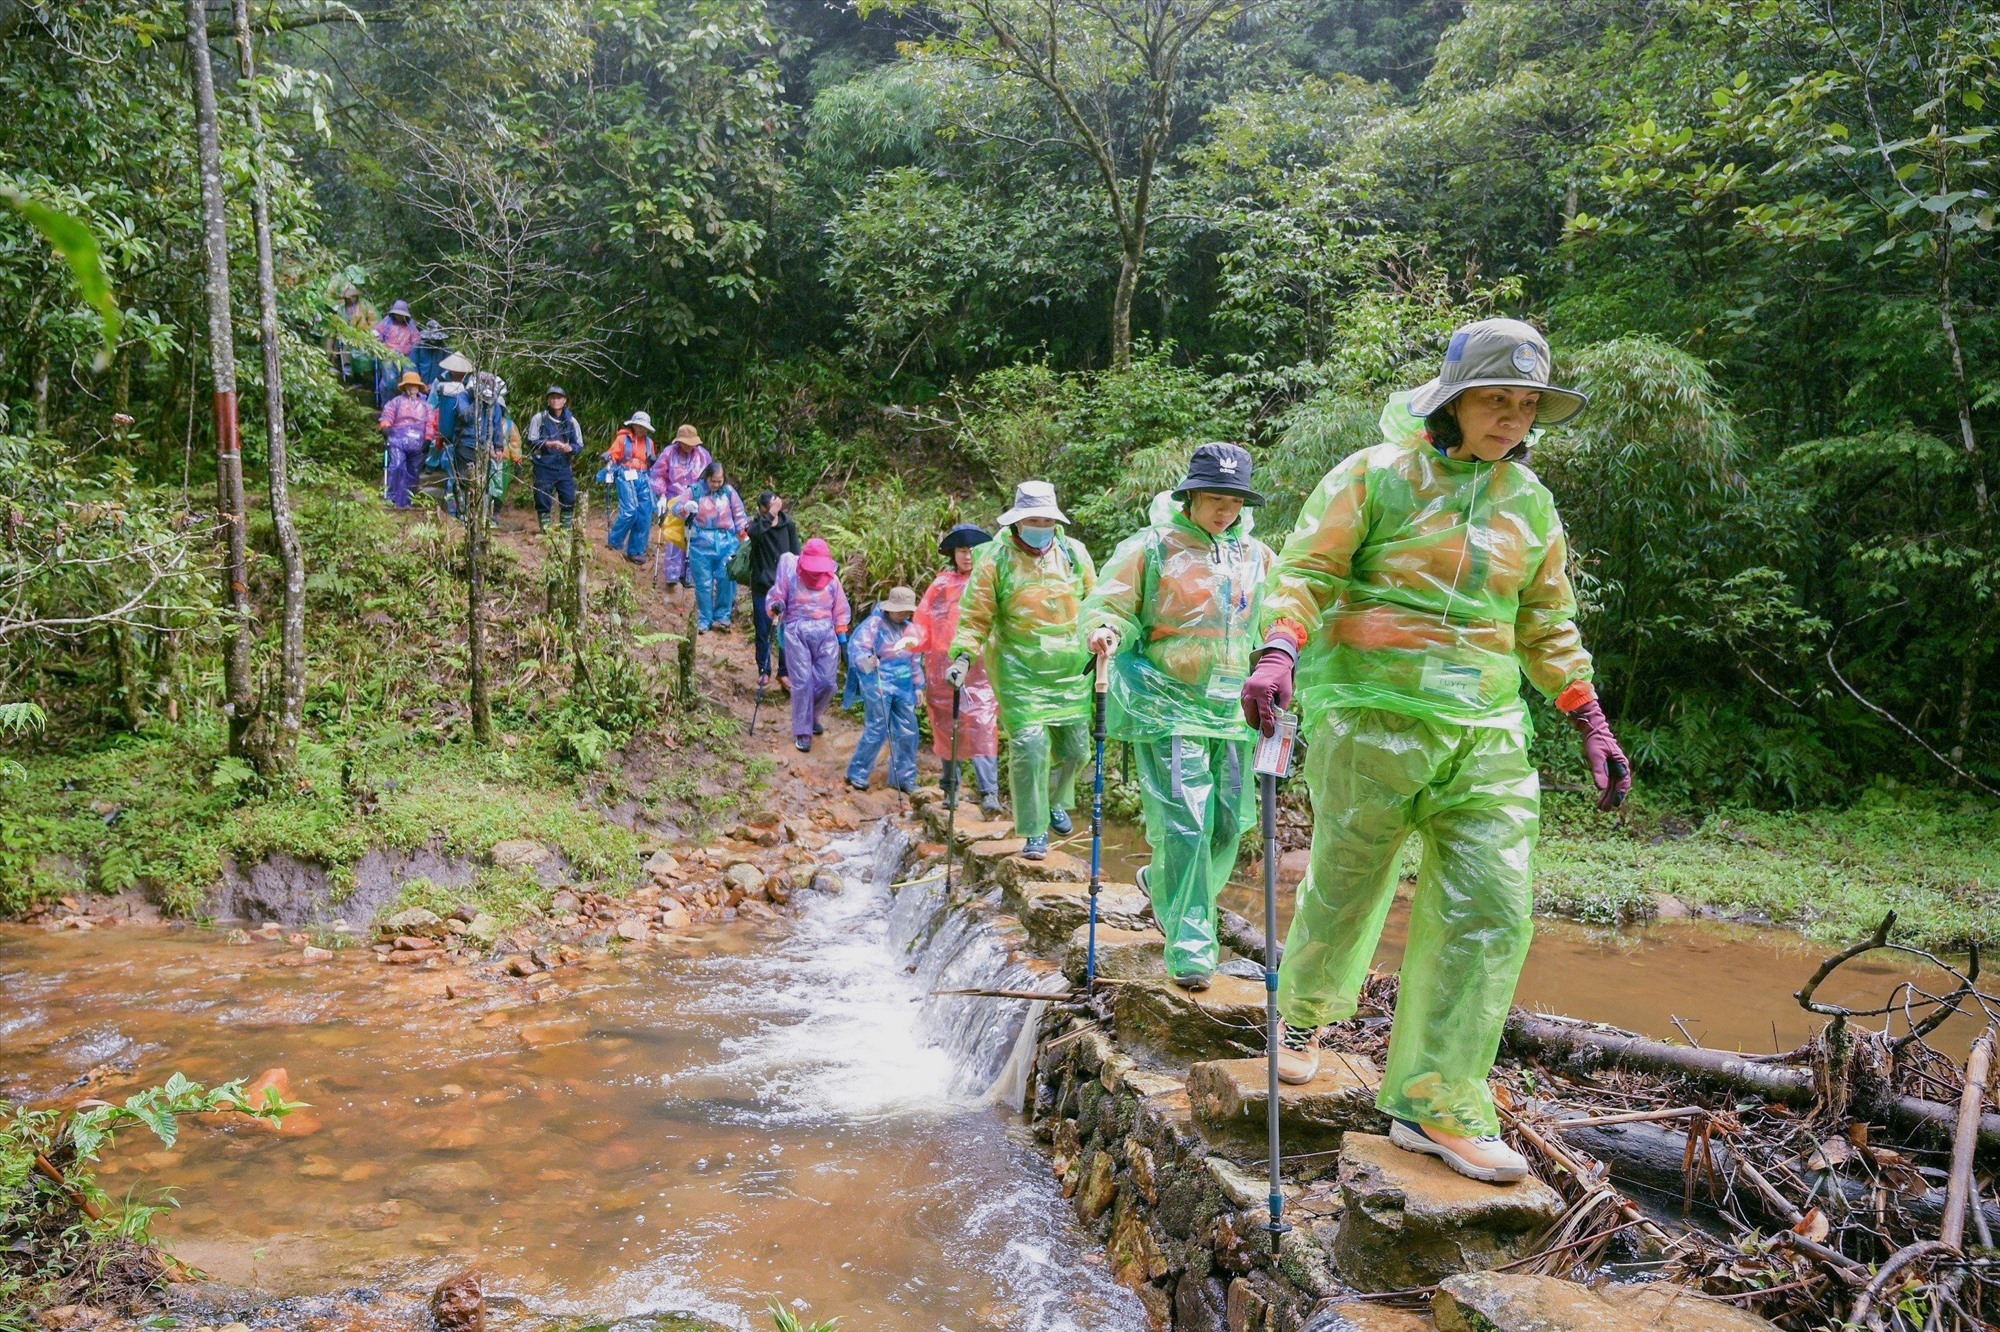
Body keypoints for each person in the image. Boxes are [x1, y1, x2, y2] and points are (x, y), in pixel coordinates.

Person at [1240, 318, 1631, 1184]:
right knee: (1347, 883)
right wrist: (1279, 647)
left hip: (1485, 732)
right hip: (1371, 722)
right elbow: (1307, 570)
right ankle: (1299, 1017)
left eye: (1528, 405)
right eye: (1499, 400)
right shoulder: (1373, 478)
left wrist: (1587, 715)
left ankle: (1435, 1101)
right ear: (1453, 402)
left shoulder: (1529, 504)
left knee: (1492, 908)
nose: (1515, 418)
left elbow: (1546, 620)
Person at [1083, 444, 1273, 991]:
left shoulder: (1256, 556)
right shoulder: (1153, 547)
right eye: (1215, 498)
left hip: (1232, 707)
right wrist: (1106, 630)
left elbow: (1280, 612)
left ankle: (1161, 883)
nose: (1224, 510)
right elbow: (1111, 603)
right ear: (1189, 495)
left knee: (1227, 824)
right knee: (1186, 822)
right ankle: (1191, 943)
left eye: (1234, 500)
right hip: (1168, 704)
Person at [947, 481, 1097, 861]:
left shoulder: (1074, 553)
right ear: (1017, 520)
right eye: (1033, 518)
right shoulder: (996, 559)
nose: (1040, 525)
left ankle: (1055, 800)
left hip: (1070, 670)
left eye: (1046, 519)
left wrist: (1104, 634)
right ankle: (1034, 829)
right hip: (1019, 668)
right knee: (1030, 747)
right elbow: (975, 614)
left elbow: (1097, 604)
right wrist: (964, 655)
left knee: (1077, 749)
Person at [904, 525, 1004, 818]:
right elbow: (923, 621)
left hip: (982, 669)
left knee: (983, 727)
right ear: (954, 554)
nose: (968, 556)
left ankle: (989, 793)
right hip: (943, 666)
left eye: (973, 551)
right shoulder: (942, 586)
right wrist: (912, 640)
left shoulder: (989, 582)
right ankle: (950, 789)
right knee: (947, 729)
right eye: (962, 551)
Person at [767, 537, 851, 752]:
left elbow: (840, 609)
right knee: (803, 682)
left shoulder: (832, 581)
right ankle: (803, 731)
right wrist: (776, 605)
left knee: (827, 681)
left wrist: (842, 639)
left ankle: (811, 715)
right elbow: (777, 596)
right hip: (797, 631)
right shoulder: (791, 576)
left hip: (826, 633)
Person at [846, 587, 924, 793]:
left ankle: (904, 778)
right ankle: (858, 772)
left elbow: (915, 660)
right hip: (878, 681)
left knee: (908, 731)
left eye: (906, 611)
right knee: (877, 728)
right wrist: (868, 661)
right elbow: (858, 649)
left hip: (904, 685)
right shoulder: (875, 624)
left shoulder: (911, 630)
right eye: (899, 610)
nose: (903, 614)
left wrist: (918, 686)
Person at [674, 461, 750, 631]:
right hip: (700, 543)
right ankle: (703, 618)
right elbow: (676, 509)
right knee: (704, 583)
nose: (716, 485)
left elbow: (739, 515)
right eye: (713, 481)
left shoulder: (729, 492)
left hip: (727, 542)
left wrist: (744, 536)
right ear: (706, 477)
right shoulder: (694, 491)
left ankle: (723, 616)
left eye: (719, 481)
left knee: (726, 578)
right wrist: (686, 508)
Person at [747, 492, 802, 686]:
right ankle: (764, 669)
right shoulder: (757, 525)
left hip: (785, 587)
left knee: (785, 631)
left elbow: (796, 555)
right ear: (762, 509)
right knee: (763, 629)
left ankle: (784, 671)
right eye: (768, 509)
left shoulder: (788, 525)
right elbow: (753, 535)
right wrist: (769, 516)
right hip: (762, 585)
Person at [650, 424, 713, 589]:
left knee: (694, 535)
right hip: (674, 497)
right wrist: (662, 495)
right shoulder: (669, 453)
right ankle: (673, 573)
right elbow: (658, 475)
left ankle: (691, 574)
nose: (688, 446)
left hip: (696, 498)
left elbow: (709, 477)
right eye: (685, 443)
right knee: (675, 535)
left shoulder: (703, 456)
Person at [448, 372, 512, 523]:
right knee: (464, 480)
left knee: (483, 482)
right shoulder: (463, 397)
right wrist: (478, 401)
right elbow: (465, 417)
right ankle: (462, 514)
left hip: (484, 448)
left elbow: (496, 425)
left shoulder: (494, 404)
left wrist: (498, 447)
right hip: (465, 444)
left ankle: (479, 516)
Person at [526, 386, 583, 533]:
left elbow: (579, 445)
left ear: (565, 400)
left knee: (568, 497)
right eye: (552, 397)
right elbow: (531, 441)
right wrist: (549, 444)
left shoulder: (571, 421)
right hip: (543, 464)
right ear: (548, 400)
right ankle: (546, 532)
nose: (555, 401)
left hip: (563, 465)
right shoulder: (539, 419)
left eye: (558, 398)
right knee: (542, 498)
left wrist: (570, 448)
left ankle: (565, 531)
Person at [604, 411, 659, 564]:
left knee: (645, 513)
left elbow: (650, 461)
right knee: (630, 510)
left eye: (644, 427)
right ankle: (614, 542)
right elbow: (613, 454)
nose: (641, 429)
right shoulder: (623, 439)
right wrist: (609, 460)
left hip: (643, 477)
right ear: (633, 425)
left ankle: (636, 550)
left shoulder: (649, 443)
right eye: (639, 425)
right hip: (625, 474)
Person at [377, 370, 434, 510]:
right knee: (396, 466)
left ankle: (408, 500)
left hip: (418, 443)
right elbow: (387, 416)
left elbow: (430, 423)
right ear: (404, 387)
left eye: (414, 385)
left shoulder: (426, 406)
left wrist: (428, 438)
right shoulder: (395, 402)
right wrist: (386, 427)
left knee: (413, 471)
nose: (411, 388)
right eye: (409, 385)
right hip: (398, 440)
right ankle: (392, 498)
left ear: (418, 387)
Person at [372, 299, 421, 407]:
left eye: (401, 315)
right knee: (390, 380)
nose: (399, 317)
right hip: (389, 355)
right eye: (397, 314)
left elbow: (416, 340)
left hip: (407, 356)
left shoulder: (410, 325)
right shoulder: (387, 322)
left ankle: (410, 405)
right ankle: (387, 406)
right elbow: (377, 334)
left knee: (411, 377)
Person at [328, 282, 377, 383]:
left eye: (353, 296)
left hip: (364, 336)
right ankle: (346, 370)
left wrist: (368, 333)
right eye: (349, 296)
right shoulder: (341, 309)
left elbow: (374, 323)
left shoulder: (365, 306)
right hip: (346, 337)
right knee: (342, 343)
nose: (351, 298)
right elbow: (334, 327)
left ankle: (365, 374)